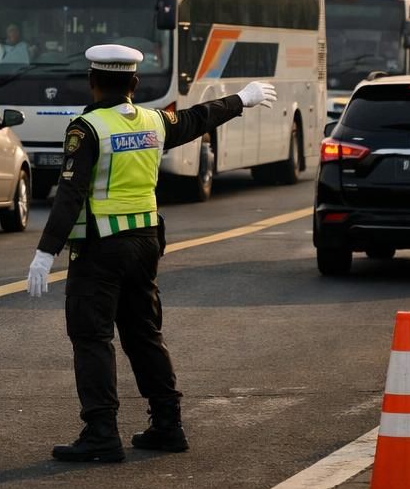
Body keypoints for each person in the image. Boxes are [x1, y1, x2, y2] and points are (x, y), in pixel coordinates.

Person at [24, 44, 276, 462]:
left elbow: (70, 193)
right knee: (143, 335)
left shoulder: (87, 128)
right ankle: (168, 425)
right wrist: (241, 100)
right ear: (135, 83)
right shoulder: (154, 121)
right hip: (144, 245)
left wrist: (45, 253)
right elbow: (198, 118)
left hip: (101, 247)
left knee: (92, 338)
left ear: (92, 81)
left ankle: (101, 433)